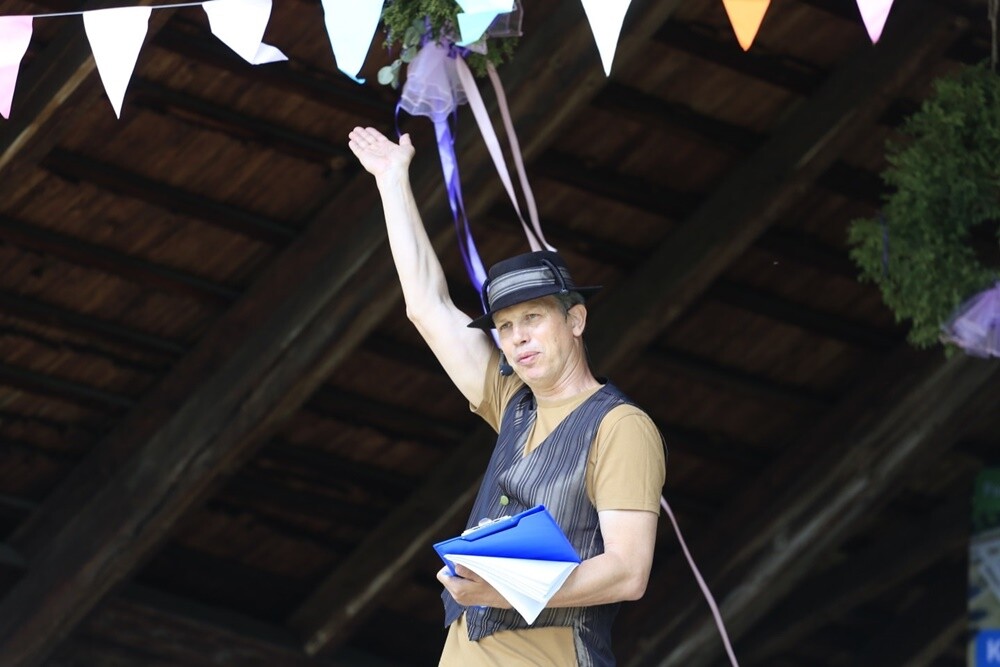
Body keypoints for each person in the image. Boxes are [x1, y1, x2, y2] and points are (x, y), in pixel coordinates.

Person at [348, 125, 666, 667]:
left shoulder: (620, 426)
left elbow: (628, 572)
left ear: (576, 321)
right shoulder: (512, 400)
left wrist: (497, 590)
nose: (517, 337)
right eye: (505, 325)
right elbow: (426, 307)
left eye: (533, 318)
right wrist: (393, 181)